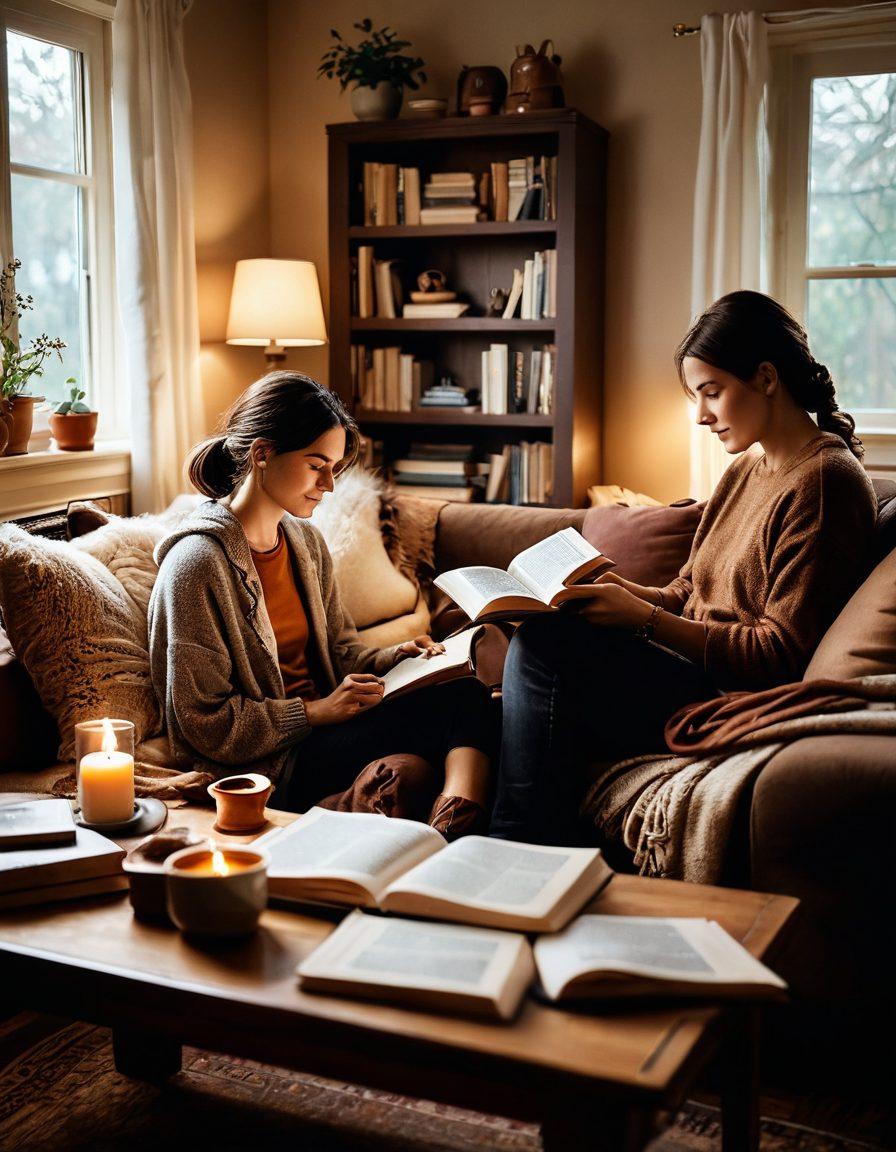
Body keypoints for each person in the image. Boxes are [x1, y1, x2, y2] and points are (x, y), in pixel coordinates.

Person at [490, 290, 878, 846]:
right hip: (680, 668)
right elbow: (687, 588)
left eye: (711, 394)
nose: (700, 416)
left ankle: (511, 846)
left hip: (725, 696)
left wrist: (641, 621)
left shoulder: (823, 483)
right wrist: (614, 589)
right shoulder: (747, 470)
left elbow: (779, 654)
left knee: (546, 650)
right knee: (529, 648)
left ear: (767, 378)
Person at [148, 371, 495, 838]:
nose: (329, 484)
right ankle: (465, 842)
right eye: (317, 465)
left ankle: (454, 836)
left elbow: (342, 652)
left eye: (333, 467)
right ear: (263, 454)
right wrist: (313, 713)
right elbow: (202, 723)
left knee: (473, 689)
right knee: (462, 707)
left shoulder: (304, 542)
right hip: (272, 763)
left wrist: (398, 658)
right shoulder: (195, 565)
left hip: (325, 730)